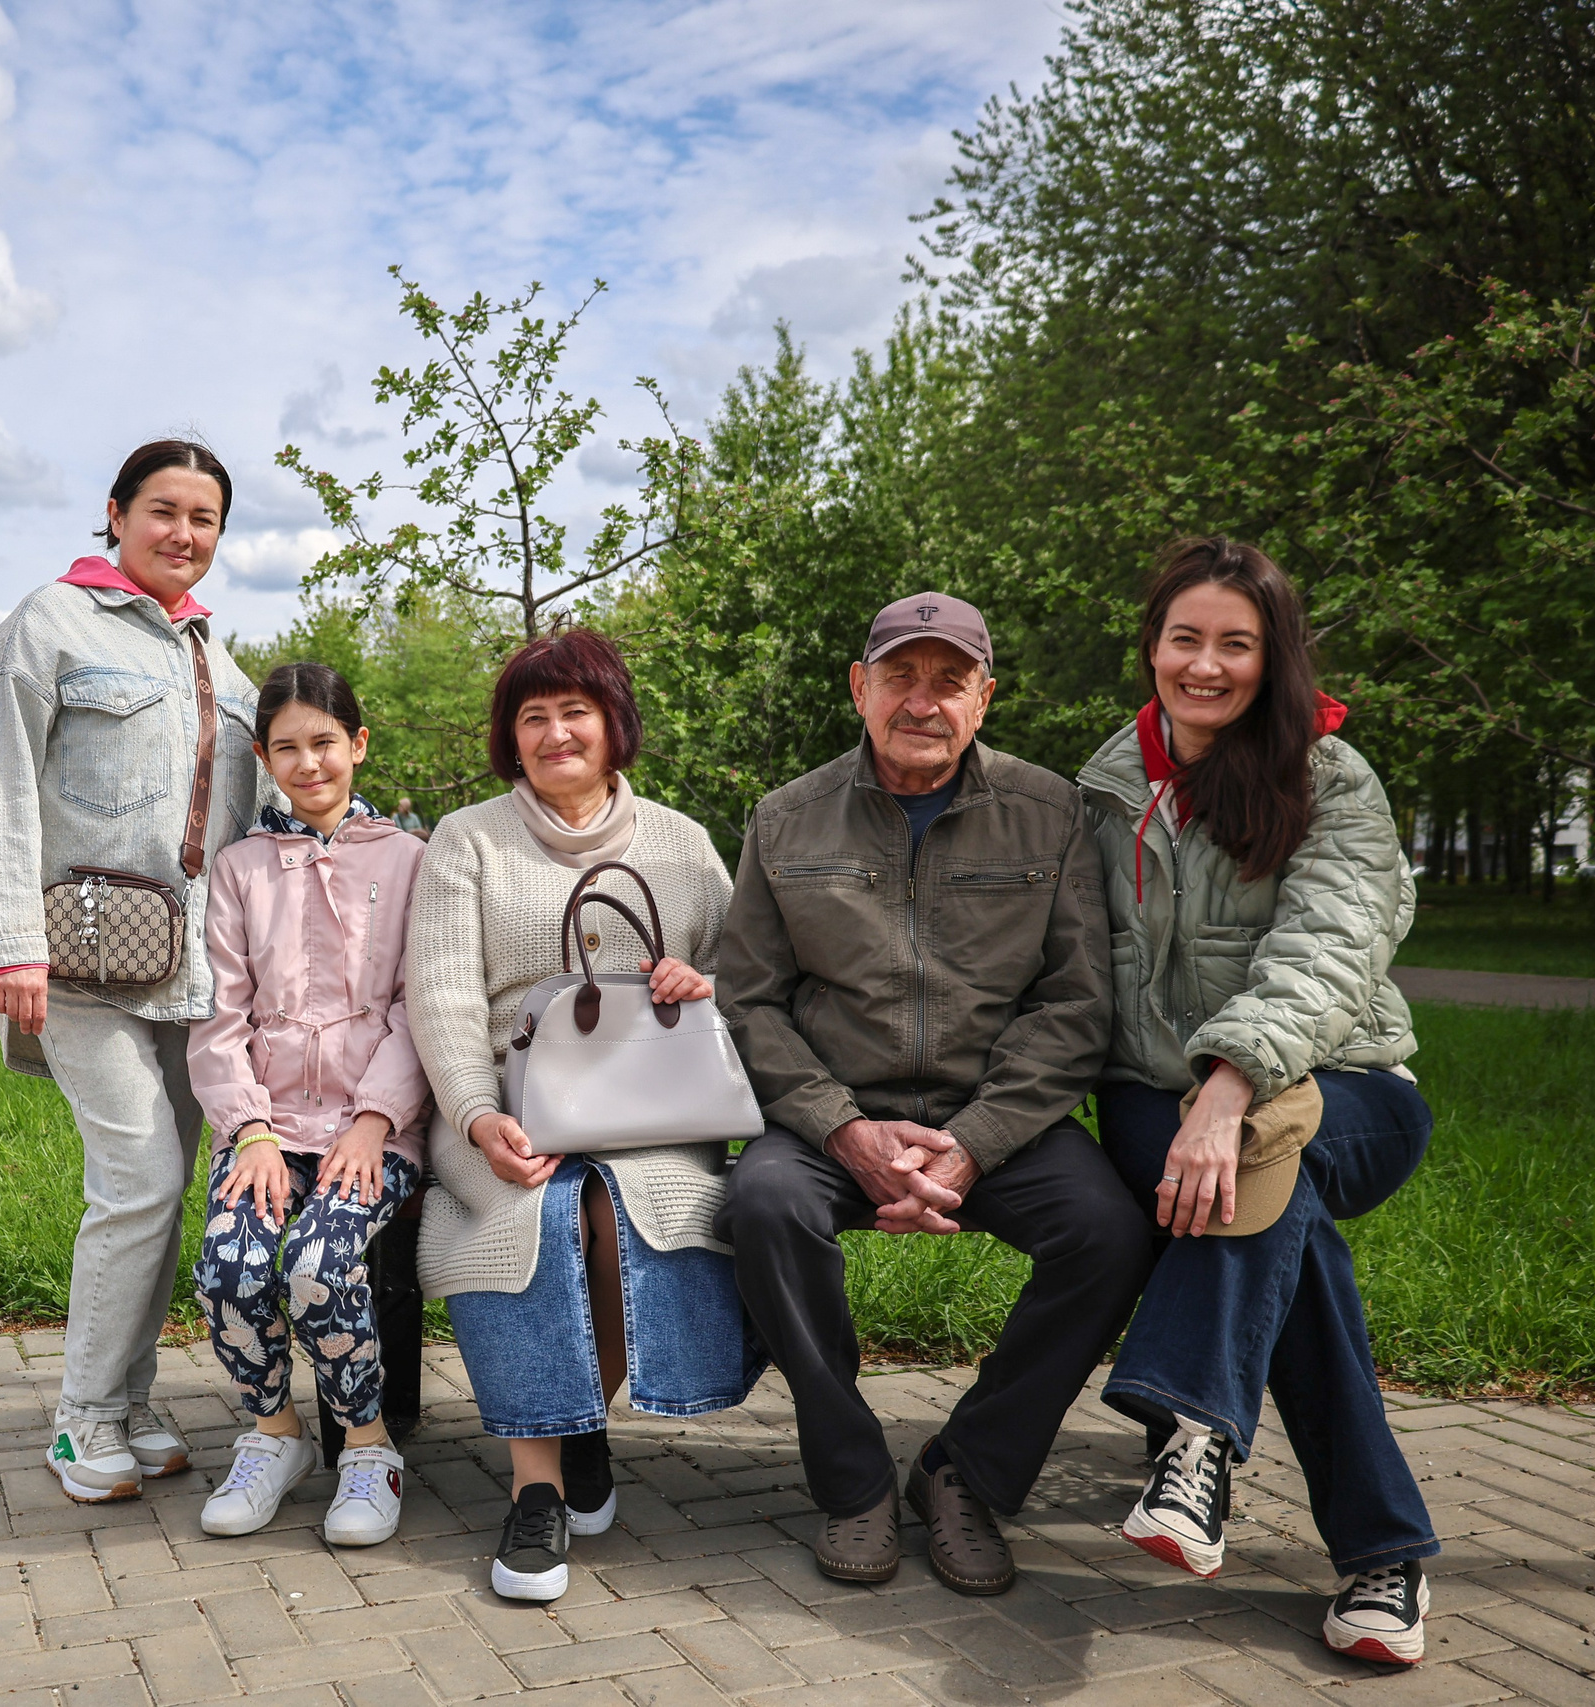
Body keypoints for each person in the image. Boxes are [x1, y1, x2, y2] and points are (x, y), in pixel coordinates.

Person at [717, 592, 1154, 1592]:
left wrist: (973, 1142)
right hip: (834, 1114)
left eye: (947, 681)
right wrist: (841, 1130)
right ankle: (853, 1480)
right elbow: (749, 1003)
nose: (921, 701)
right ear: (858, 689)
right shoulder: (785, 818)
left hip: (994, 1119)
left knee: (1107, 1234)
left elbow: (1076, 1003)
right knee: (761, 1203)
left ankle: (964, 1472)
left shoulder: (1049, 812)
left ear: (984, 698)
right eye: (899, 677)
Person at [1077, 538, 1436, 1666]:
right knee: (1290, 1229)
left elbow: (1328, 950)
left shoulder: (1330, 779)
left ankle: (1192, 1437)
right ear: (1151, 646)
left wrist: (1230, 1086)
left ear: (1270, 656)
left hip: (1348, 1090)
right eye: (1186, 638)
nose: (1206, 664)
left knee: (1261, 1151)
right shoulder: (1102, 787)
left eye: (1236, 643)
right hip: (1152, 1097)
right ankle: (1382, 1556)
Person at [408, 629, 763, 1604]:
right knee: (540, 1211)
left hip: (657, 1108)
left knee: (623, 1207)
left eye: (576, 711)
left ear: (614, 724)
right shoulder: (467, 839)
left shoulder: (682, 844)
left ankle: (568, 1425)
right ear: (508, 739)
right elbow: (439, 998)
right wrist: (478, 1120)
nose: (556, 732)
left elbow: (754, 976)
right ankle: (539, 1494)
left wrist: (707, 980)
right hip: (504, 1105)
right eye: (533, 717)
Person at [0, 439, 275, 1504]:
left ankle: (131, 1402)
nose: (184, 533)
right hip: (82, 964)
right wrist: (10, 943)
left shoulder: (217, 664)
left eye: (205, 519)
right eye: (164, 510)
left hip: (192, 981)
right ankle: (81, 1420)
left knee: (166, 1189)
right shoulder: (47, 624)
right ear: (115, 512)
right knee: (139, 1180)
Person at [187, 662, 430, 1546]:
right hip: (269, 1128)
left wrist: (376, 1119)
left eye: (325, 741)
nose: (309, 762)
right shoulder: (240, 870)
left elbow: (419, 1003)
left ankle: (368, 1448)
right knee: (228, 1267)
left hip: (375, 1130)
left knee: (320, 1266)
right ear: (263, 755)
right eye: (285, 746)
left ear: (357, 745)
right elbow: (220, 1020)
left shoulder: (410, 860)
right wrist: (247, 1130)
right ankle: (273, 1433)